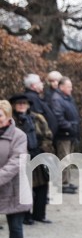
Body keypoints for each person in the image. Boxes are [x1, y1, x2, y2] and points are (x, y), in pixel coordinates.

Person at [0, 100, 33, 238]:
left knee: (15, 225)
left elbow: (17, 161)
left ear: (7, 116)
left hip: (15, 186)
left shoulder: (19, 136)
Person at [10, 95, 52, 225]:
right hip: (21, 156)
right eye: (19, 103)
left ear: (28, 105)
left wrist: (44, 149)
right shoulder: (11, 120)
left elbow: (47, 135)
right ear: (14, 106)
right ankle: (25, 215)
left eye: (24, 103)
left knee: (42, 185)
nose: (22, 105)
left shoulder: (37, 118)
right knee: (24, 187)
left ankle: (39, 214)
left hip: (38, 153)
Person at [50, 76, 80, 194]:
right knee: (64, 158)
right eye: (69, 87)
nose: (71, 89)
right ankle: (62, 183)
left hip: (70, 133)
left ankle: (66, 181)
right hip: (63, 134)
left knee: (68, 158)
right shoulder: (57, 99)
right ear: (61, 87)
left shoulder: (67, 98)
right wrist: (71, 127)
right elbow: (58, 118)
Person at [22, 73, 58, 142]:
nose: (42, 84)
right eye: (40, 82)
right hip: (41, 140)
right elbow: (38, 120)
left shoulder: (36, 96)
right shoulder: (32, 98)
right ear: (33, 86)